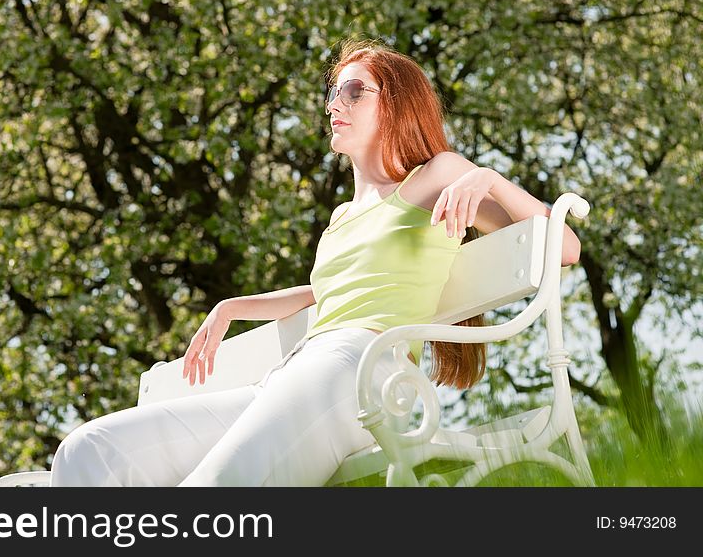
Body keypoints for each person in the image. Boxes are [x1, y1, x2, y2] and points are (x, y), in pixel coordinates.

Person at [49, 37, 579, 487]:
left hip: (357, 374)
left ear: (395, 104)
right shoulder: (343, 215)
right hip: (295, 372)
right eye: (333, 92)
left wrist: (488, 177)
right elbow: (324, 294)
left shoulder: (437, 176)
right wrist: (232, 306)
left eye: (355, 91)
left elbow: (566, 249)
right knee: (87, 451)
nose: (335, 103)